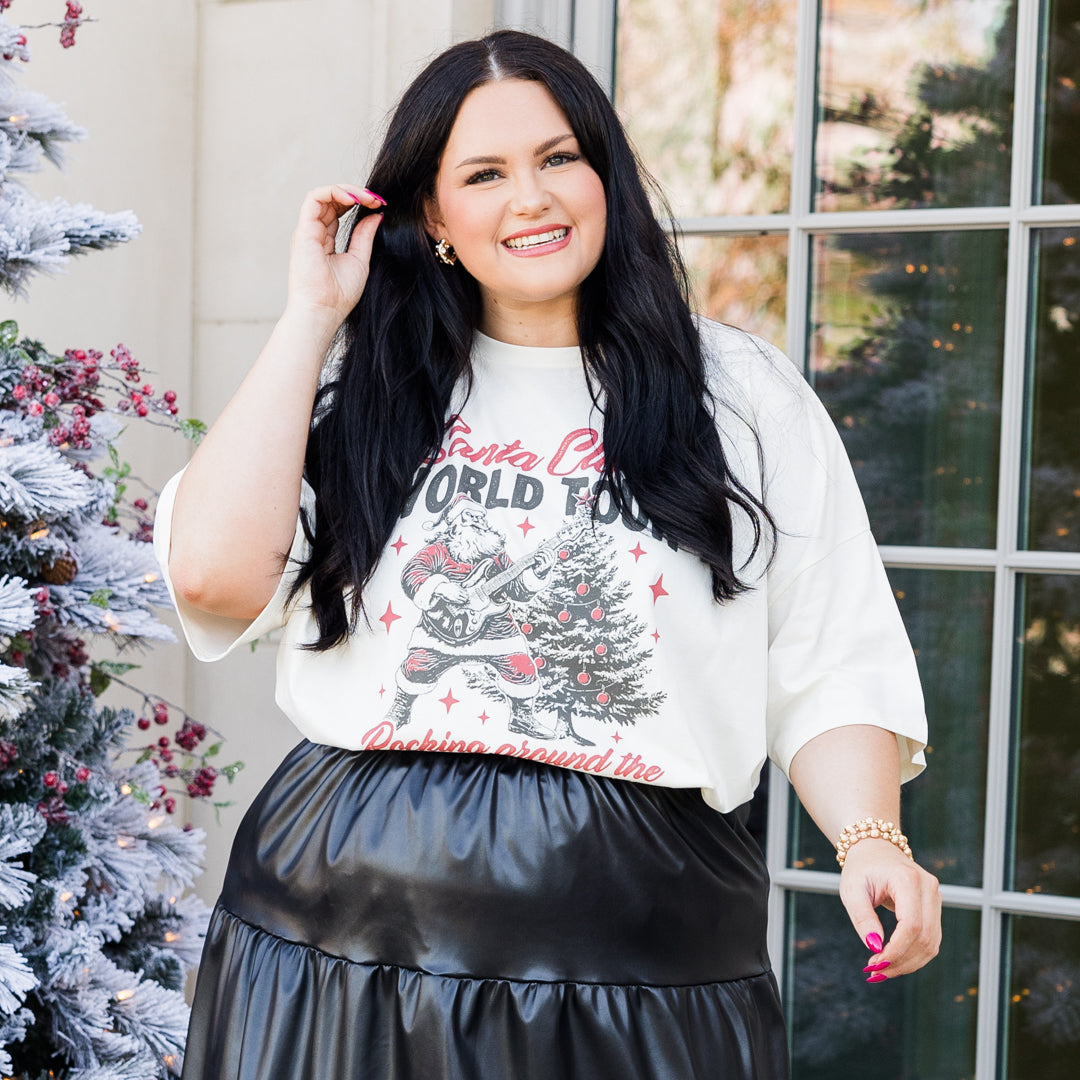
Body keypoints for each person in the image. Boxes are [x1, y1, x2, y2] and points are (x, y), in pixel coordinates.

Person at [157, 29, 941, 1080]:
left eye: (558, 157)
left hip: (636, 958)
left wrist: (870, 841)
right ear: (433, 216)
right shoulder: (369, 395)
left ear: (604, 173)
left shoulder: (739, 397)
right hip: (333, 951)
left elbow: (828, 651)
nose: (531, 197)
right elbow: (210, 576)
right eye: (483, 174)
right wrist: (312, 317)